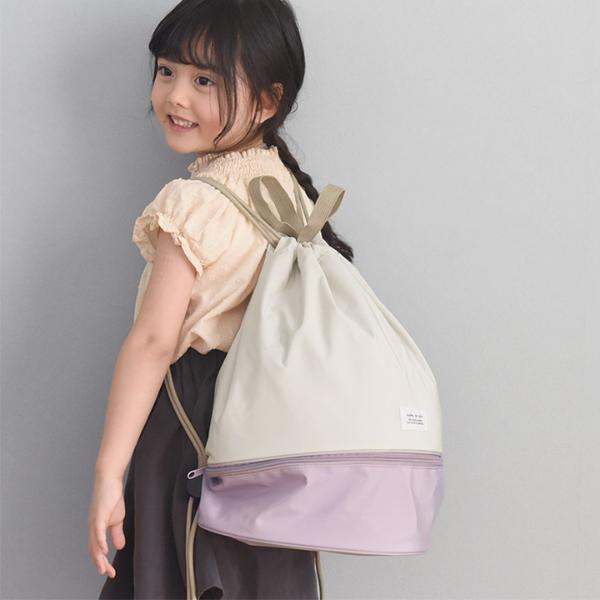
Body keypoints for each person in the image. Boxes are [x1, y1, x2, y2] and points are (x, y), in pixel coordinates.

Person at [87, 0, 354, 598]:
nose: (176, 96)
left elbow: (154, 342)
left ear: (267, 101)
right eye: (167, 71)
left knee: (180, 574)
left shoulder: (195, 203)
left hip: (193, 428)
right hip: (268, 432)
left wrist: (108, 473)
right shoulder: (286, 190)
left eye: (204, 80)